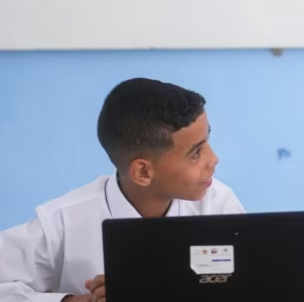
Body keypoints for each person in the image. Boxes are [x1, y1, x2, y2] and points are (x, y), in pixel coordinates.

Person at [0, 78, 245, 302]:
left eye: (207, 141)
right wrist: (73, 301)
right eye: (196, 153)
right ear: (143, 172)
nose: (214, 159)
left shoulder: (218, 205)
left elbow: (249, 281)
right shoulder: (62, 222)